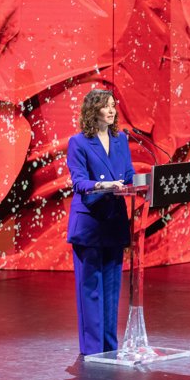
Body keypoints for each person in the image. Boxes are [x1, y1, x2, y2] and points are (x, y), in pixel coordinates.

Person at [66, 88, 134, 355]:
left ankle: (109, 347)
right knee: (91, 288)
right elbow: (79, 181)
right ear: (93, 110)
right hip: (90, 223)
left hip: (115, 220)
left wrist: (135, 184)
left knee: (112, 288)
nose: (112, 110)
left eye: (113, 105)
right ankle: (93, 349)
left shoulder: (121, 140)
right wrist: (104, 184)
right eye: (106, 106)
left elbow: (128, 174)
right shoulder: (78, 142)